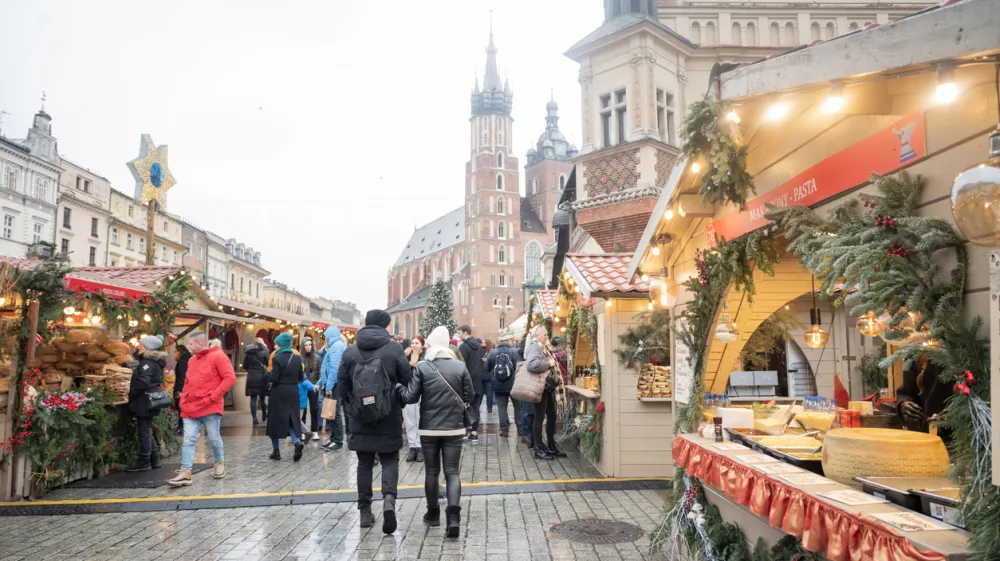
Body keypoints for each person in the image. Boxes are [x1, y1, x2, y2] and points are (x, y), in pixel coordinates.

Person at [338, 309, 412, 534]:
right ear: (385, 326)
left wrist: (353, 409)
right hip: (388, 415)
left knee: (364, 464)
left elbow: (342, 387)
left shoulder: (350, 352)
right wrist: (397, 402)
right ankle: (389, 500)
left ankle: (364, 511)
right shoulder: (394, 349)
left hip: (360, 417)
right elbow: (407, 380)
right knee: (390, 460)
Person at [397, 326, 473, 538]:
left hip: (429, 428)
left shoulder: (423, 367)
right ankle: (454, 518)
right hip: (454, 427)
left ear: (432, 345)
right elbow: (470, 395)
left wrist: (399, 389)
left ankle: (433, 514)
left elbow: (410, 397)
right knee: (452, 472)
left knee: (432, 472)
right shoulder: (460, 366)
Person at [167, 332, 236, 487]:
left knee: (213, 438)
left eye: (191, 343)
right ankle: (185, 472)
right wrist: (184, 398)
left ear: (200, 343)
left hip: (210, 406)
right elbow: (188, 381)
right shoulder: (192, 360)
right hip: (191, 406)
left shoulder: (218, 356)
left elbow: (230, 378)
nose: (189, 346)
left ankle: (219, 463)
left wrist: (213, 396)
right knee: (188, 439)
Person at [126, 335, 168, 472]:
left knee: (143, 430)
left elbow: (143, 382)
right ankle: (154, 459)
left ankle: (144, 461)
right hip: (150, 399)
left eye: (141, 345)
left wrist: (131, 394)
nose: (137, 346)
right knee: (146, 429)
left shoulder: (147, 363)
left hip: (144, 400)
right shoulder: (152, 362)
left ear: (147, 347)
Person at [525, 324, 566, 461]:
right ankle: (538, 447)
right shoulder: (535, 346)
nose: (547, 337)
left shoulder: (543, 346)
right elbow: (531, 364)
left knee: (552, 416)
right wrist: (548, 364)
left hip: (547, 388)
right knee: (539, 417)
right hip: (540, 388)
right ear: (538, 335)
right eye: (545, 335)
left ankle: (550, 444)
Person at [267, 332, 307, 461]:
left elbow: (274, 378)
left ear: (281, 345)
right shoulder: (297, 358)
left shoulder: (276, 358)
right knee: (290, 420)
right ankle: (297, 442)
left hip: (279, 392)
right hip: (293, 392)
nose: (275, 346)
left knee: (274, 420)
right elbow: (301, 377)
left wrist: (266, 374)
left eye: (276, 344)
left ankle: (276, 451)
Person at [486, 334, 523, 438]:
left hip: (498, 385)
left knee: (502, 408)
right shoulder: (515, 352)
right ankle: (520, 429)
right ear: (508, 341)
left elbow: (487, 367)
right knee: (518, 407)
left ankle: (504, 430)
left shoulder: (493, 352)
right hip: (514, 385)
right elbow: (520, 366)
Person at [318, 325, 347, 451]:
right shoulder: (336, 346)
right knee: (332, 413)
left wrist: (328, 386)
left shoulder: (335, 347)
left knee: (335, 413)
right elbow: (328, 368)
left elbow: (334, 369)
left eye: (326, 336)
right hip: (333, 384)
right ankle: (334, 439)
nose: (325, 338)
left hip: (334, 385)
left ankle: (338, 441)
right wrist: (321, 383)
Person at [457, 325, 486, 441]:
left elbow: (461, 365)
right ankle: (474, 432)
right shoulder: (478, 346)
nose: (459, 336)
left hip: (467, 381)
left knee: (463, 406)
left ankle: (464, 431)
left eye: (459, 333)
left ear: (465, 333)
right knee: (475, 407)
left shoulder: (464, 346)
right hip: (478, 380)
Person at [402, 336, 425, 462]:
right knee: (410, 421)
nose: (414, 345)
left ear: (422, 345)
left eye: (417, 343)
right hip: (409, 392)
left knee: (420, 419)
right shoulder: (405, 357)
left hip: (422, 393)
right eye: (412, 343)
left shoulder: (425, 358)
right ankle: (412, 447)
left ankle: (421, 447)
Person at [243, 337, 270, 426]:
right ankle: (264, 415)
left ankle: (254, 418)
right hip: (262, 376)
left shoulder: (248, 352)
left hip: (251, 376)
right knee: (262, 397)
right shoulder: (265, 351)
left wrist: (250, 368)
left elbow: (244, 365)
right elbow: (267, 363)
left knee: (253, 398)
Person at [301, 337, 322, 442]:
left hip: (313, 386)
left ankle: (315, 430)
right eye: (306, 345)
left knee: (314, 409)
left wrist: (318, 385)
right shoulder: (300, 358)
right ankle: (304, 431)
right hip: (303, 386)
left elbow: (319, 373)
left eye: (310, 345)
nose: (308, 347)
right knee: (303, 409)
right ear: (303, 347)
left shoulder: (317, 358)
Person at [172, 343, 191, 435]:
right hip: (188, 389)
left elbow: (181, 377)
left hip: (182, 389)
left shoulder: (182, 362)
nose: (174, 354)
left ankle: (182, 427)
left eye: (175, 352)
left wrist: (179, 390)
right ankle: (183, 427)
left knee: (181, 409)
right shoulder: (188, 360)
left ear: (179, 352)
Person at [482, 339, 495, 414]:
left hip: (483, 374)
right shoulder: (492, 352)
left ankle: (488, 407)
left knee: (486, 393)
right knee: (489, 392)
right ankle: (489, 407)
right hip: (489, 375)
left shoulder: (481, 351)